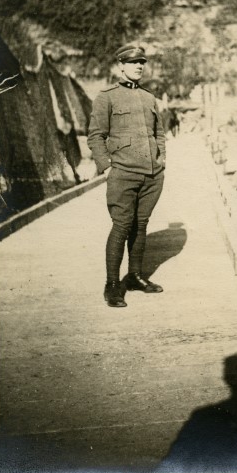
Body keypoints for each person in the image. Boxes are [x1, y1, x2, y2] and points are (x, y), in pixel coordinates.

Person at [87, 44, 166, 308]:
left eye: (142, 62)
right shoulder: (106, 97)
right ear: (120, 65)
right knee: (121, 225)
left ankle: (134, 276)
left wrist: (161, 160)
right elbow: (95, 136)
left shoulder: (149, 97)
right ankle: (112, 285)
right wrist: (107, 167)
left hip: (152, 175)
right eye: (133, 62)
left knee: (141, 224)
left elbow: (159, 133)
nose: (139, 66)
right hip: (123, 173)